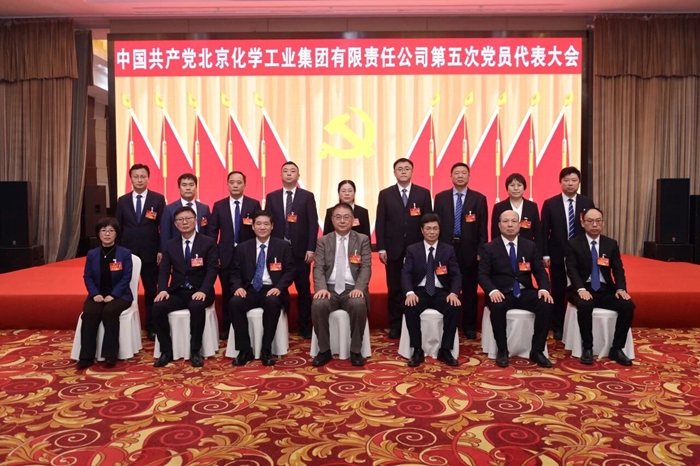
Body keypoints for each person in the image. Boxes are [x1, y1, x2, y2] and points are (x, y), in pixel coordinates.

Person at [478, 210, 553, 368]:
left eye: (513, 221)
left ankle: (537, 350)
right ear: (499, 225)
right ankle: (502, 350)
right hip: (501, 293)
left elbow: (540, 272)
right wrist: (492, 291)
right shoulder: (489, 248)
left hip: (525, 291)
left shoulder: (530, 246)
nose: (510, 225)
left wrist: (544, 289)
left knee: (545, 304)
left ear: (519, 225)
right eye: (505, 221)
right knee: (497, 307)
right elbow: (482, 275)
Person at [565, 208, 635, 366]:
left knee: (627, 305)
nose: (594, 225)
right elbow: (572, 269)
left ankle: (617, 348)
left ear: (603, 223)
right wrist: (580, 289)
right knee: (585, 305)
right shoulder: (574, 244)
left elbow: (618, 269)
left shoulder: (610, 244)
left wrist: (620, 289)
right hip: (582, 288)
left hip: (605, 289)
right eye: (590, 221)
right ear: (583, 223)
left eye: (598, 221)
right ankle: (587, 348)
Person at [153, 206, 219, 368]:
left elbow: (212, 270)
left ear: (195, 220)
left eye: (188, 218)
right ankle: (166, 351)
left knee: (196, 306)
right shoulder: (170, 245)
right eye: (180, 220)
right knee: (158, 307)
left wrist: (203, 291)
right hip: (178, 291)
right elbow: (164, 270)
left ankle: (195, 350)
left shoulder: (208, 242)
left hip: (200, 291)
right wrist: (163, 289)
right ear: (175, 224)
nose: (184, 222)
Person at [229, 210, 295, 367]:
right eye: (258, 224)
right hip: (250, 289)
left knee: (272, 302)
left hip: (272, 289)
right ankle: (245, 350)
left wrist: (279, 288)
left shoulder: (283, 246)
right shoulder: (243, 248)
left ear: (272, 226)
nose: (262, 227)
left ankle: (266, 350)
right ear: (252, 226)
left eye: (266, 224)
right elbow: (234, 272)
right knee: (235, 303)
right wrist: (238, 287)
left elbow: (290, 271)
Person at [376, 158, 432, 339]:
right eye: (399, 169)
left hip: (417, 249)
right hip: (393, 249)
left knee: (416, 286)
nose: (403, 171)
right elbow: (380, 222)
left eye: (407, 168)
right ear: (394, 172)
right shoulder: (385, 194)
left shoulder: (423, 193)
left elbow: (428, 222)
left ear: (412, 172)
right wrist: (381, 248)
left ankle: (413, 321)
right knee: (394, 288)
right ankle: (395, 324)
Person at [312, 203, 372, 367]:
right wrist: (321, 288)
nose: (342, 221)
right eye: (338, 217)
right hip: (329, 289)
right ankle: (324, 350)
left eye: (346, 217)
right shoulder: (323, 241)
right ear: (332, 220)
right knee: (318, 304)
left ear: (353, 220)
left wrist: (359, 288)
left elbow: (366, 267)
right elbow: (318, 267)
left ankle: (356, 350)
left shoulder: (362, 240)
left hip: (352, 288)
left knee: (358, 304)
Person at [434, 162, 487, 339]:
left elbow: (482, 228)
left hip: (469, 250)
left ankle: (469, 326)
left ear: (469, 176)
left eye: (463, 173)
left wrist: (481, 250)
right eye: (456, 173)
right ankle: (450, 323)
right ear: (451, 176)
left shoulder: (479, 199)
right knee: (446, 286)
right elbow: (435, 225)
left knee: (470, 289)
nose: (460, 176)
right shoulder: (440, 198)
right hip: (446, 249)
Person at [540, 166, 594, 341]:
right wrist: (545, 255)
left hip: (580, 255)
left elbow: (591, 229)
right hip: (557, 254)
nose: (570, 184)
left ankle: (578, 325)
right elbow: (543, 231)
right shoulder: (550, 203)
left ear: (579, 182)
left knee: (580, 288)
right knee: (557, 290)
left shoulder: (587, 203)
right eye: (566, 180)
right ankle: (558, 326)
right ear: (560, 182)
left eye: (574, 180)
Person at [265, 161, 318, 339]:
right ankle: (282, 324)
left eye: (292, 171)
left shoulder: (307, 196)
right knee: (279, 288)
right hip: (278, 253)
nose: (289, 174)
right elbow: (267, 223)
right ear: (280, 175)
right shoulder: (272, 197)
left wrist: (311, 248)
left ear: (298, 175)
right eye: (285, 171)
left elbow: (312, 224)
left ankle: (304, 325)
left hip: (301, 252)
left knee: (303, 289)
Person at [402, 214, 461, 367]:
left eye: (435, 228)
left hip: (440, 292)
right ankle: (417, 349)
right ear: (422, 230)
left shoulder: (448, 250)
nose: (432, 232)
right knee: (410, 306)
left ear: (440, 230)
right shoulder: (413, 250)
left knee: (454, 306)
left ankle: (445, 350)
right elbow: (406, 273)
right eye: (428, 228)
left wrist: (454, 293)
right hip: (420, 291)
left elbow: (456, 274)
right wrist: (410, 293)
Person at [115, 164, 166, 341]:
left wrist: (161, 250)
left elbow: (163, 227)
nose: (139, 180)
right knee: (127, 289)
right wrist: (117, 252)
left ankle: (152, 326)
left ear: (148, 178)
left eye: (143, 176)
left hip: (151, 253)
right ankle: (127, 326)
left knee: (152, 291)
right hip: (127, 253)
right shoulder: (123, 201)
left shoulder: (157, 199)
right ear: (130, 179)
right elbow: (118, 227)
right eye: (136, 176)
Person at [209, 171, 261, 340]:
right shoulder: (219, 205)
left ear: (245, 185)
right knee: (227, 292)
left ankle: (245, 324)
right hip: (225, 256)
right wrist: (214, 255)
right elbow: (212, 232)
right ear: (228, 185)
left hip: (247, 256)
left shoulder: (253, 204)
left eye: (239, 182)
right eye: (232, 182)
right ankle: (227, 326)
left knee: (246, 290)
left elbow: (259, 230)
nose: (236, 185)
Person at [76, 217, 133, 370]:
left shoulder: (124, 253)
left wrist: (113, 295)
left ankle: (110, 355)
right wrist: (94, 294)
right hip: (98, 295)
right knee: (89, 312)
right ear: (98, 233)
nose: (107, 234)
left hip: (120, 295)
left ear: (116, 234)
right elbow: (87, 276)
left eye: (111, 231)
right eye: (103, 230)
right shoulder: (92, 254)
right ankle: (86, 356)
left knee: (110, 311)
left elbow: (126, 277)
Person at [160, 173, 211, 250]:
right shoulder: (169, 209)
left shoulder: (204, 208)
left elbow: (209, 232)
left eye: (191, 185)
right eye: (184, 185)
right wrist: (165, 251)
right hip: (177, 249)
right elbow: (165, 234)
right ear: (179, 188)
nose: (188, 188)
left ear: (196, 187)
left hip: (201, 249)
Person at [491, 173, 541, 248]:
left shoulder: (532, 207)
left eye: (519, 185)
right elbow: (495, 232)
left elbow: (537, 232)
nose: (516, 188)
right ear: (507, 188)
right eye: (512, 185)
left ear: (524, 188)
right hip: (504, 248)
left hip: (527, 248)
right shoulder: (499, 207)